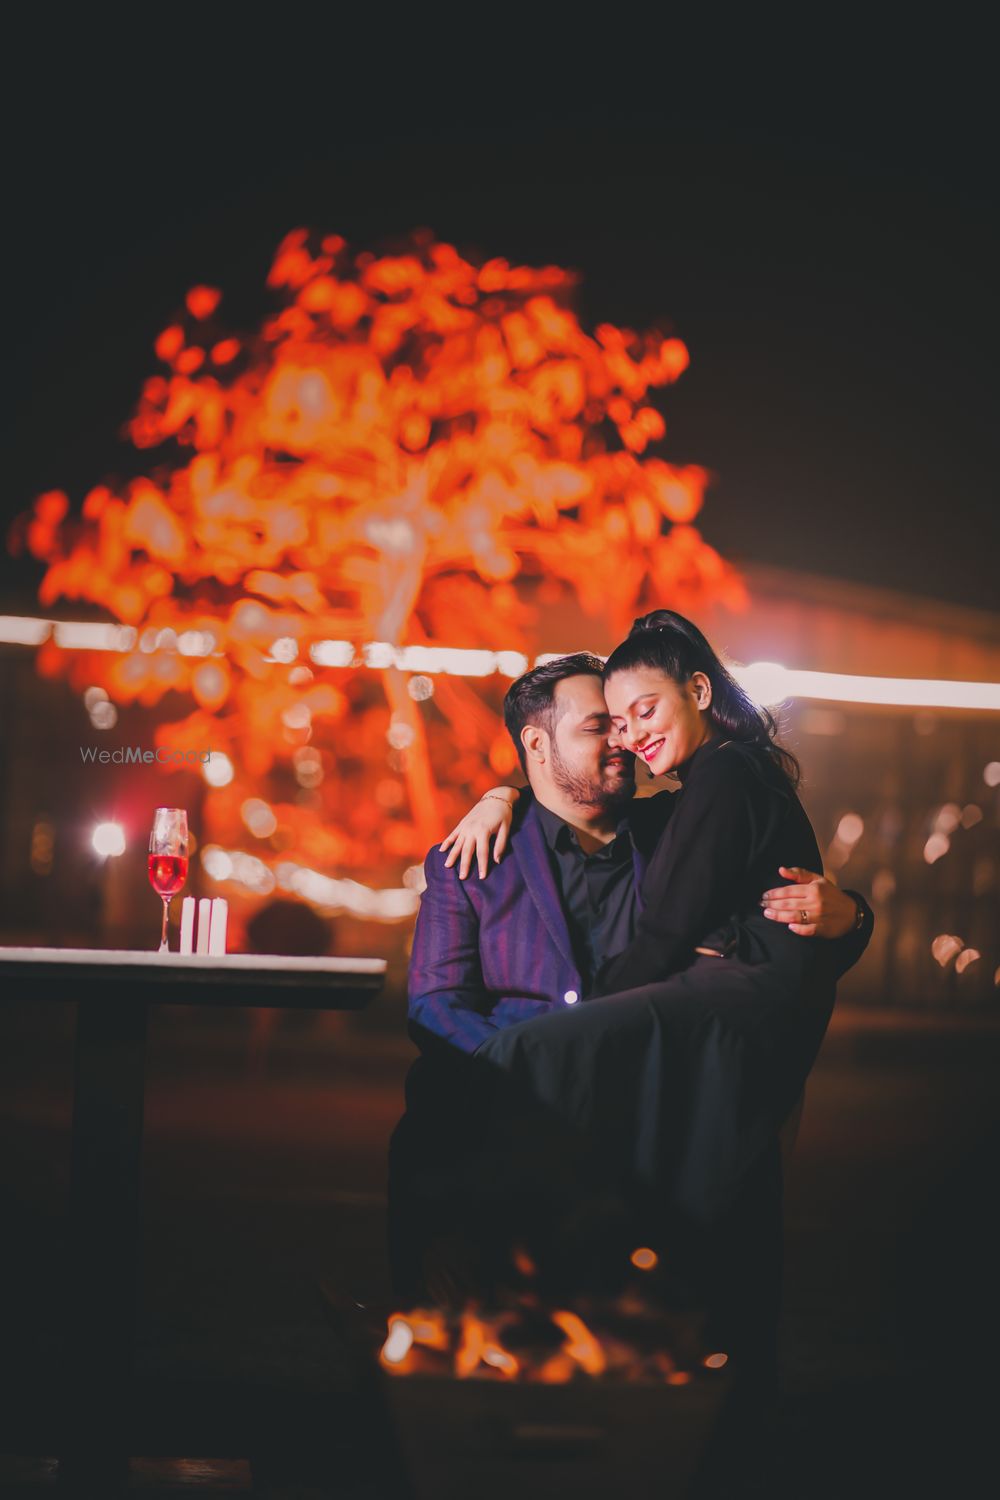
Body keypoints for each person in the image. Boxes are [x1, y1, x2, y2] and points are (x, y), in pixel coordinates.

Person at [389, 624, 872, 1334]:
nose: (623, 740)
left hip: (655, 1107)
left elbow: (776, 902)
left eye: (628, 721)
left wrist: (852, 916)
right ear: (536, 745)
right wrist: (533, 1066)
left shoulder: (680, 819)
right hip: (515, 1111)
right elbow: (435, 1006)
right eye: (601, 726)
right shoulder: (472, 858)